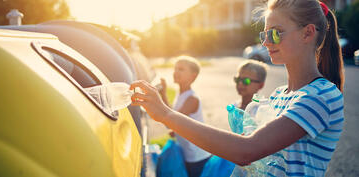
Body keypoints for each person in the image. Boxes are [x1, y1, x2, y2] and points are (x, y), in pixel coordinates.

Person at [131, 0, 344, 176]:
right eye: (264, 34)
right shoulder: (279, 94)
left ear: (307, 33)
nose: (266, 42)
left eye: (276, 33)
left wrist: (166, 114)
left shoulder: (321, 96)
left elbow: (246, 151)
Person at [158, 56, 211, 177]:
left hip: (197, 156)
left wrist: (174, 128)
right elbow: (172, 114)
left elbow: (171, 120)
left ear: (193, 76)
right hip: (187, 153)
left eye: (181, 69)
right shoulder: (181, 94)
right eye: (175, 68)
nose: (175, 72)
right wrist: (163, 94)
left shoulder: (192, 99)